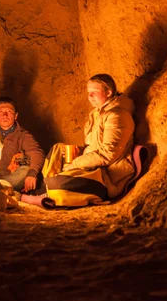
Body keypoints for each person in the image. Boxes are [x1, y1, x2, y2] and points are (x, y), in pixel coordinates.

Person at [30, 74, 135, 207]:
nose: (90, 97)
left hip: (106, 176)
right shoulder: (96, 114)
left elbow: (108, 154)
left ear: (108, 92)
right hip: (91, 168)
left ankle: (48, 191)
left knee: (60, 183)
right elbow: (92, 146)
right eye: (88, 93)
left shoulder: (117, 116)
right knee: (58, 148)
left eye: (94, 92)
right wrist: (77, 152)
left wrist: (75, 163)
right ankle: (47, 189)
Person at [0, 97, 45, 193]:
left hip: (8, 179)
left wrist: (32, 173)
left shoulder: (22, 135)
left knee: (25, 170)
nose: (5, 115)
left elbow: (36, 153)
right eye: (0, 112)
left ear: (16, 116)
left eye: (9, 112)